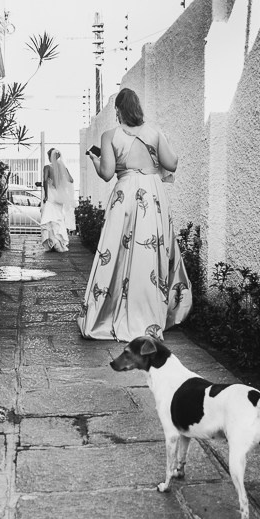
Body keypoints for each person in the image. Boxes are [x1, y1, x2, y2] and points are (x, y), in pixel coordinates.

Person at [78, 88, 192, 341]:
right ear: (138, 108)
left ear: (118, 110)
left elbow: (107, 173)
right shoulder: (155, 132)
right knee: (150, 251)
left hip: (125, 194)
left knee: (117, 251)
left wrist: (95, 161)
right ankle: (151, 314)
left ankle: (109, 312)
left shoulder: (110, 135)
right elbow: (172, 164)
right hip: (152, 195)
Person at [40, 148, 75, 252]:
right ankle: (59, 243)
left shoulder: (47, 167)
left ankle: (52, 243)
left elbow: (45, 181)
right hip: (59, 196)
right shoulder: (62, 168)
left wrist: (46, 195)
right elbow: (71, 180)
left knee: (49, 217)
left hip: (51, 194)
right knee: (58, 218)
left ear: (50, 157)